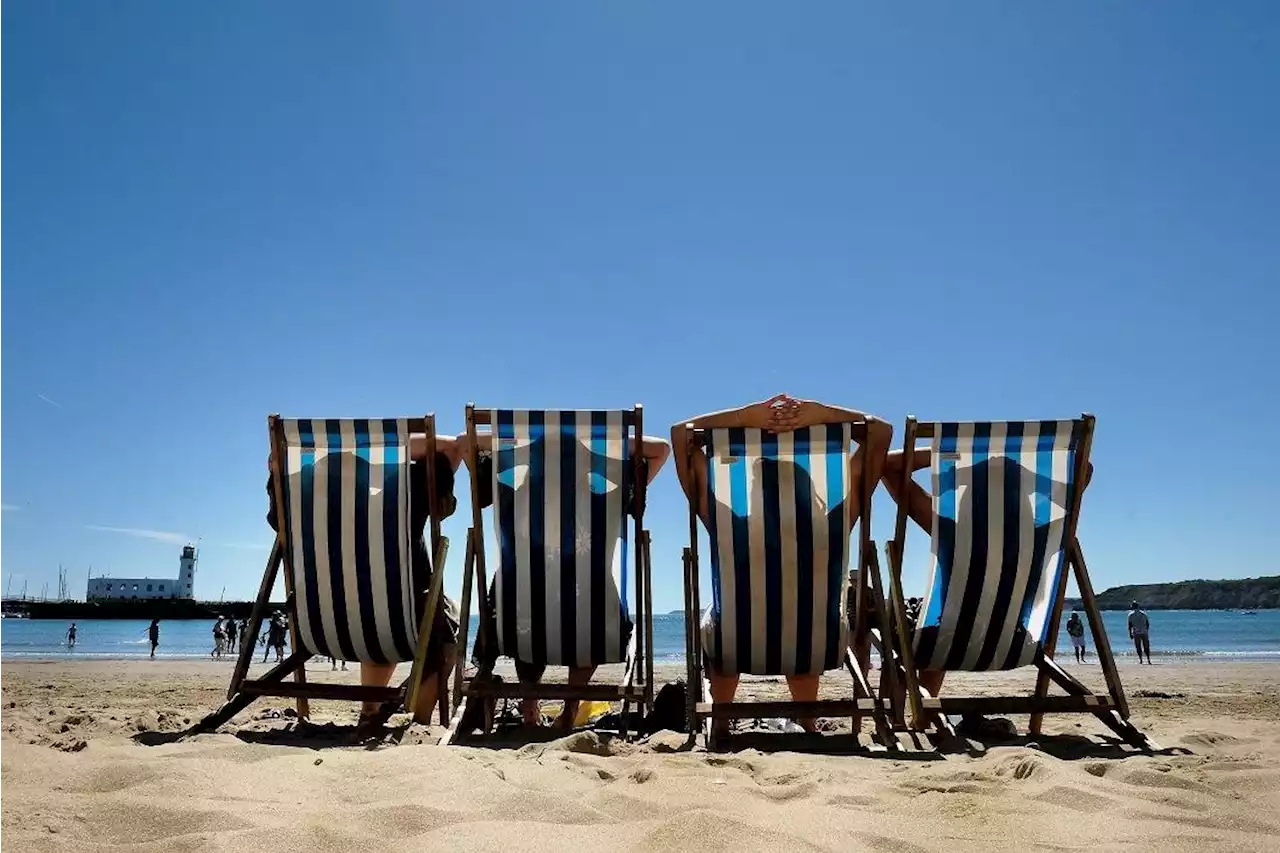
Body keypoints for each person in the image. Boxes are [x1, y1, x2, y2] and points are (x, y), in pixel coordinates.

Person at [672, 394, 892, 735]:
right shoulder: (834, 524)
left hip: (736, 645)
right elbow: (881, 434)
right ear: (807, 491)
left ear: (756, 494)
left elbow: (680, 434)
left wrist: (745, 417)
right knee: (801, 614)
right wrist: (823, 413)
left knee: (723, 617)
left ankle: (721, 720)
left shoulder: (728, 525)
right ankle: (806, 720)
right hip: (816, 646)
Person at [468, 426, 672, 730]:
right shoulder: (606, 502)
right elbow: (661, 449)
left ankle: (529, 706)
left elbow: (464, 441)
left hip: (514, 614)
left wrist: (525, 448)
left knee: (526, 596)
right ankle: (569, 709)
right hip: (590, 618)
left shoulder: (510, 497)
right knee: (590, 603)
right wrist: (589, 453)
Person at [880, 428, 1095, 715]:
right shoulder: (1040, 539)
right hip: (1012, 646)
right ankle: (927, 707)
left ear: (968, 500)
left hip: (944, 646)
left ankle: (915, 712)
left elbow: (886, 465)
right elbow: (1085, 471)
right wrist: (1029, 480)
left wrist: (957, 461)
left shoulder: (950, 533)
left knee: (906, 630)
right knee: (941, 631)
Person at [265, 433, 464, 726]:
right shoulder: (400, 497)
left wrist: (323, 446)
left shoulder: (296, 504)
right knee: (437, 620)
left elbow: (275, 459)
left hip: (320, 629)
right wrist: (378, 448)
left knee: (378, 611)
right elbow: (451, 446)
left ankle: (370, 710)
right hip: (398, 621)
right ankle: (416, 720)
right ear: (368, 479)